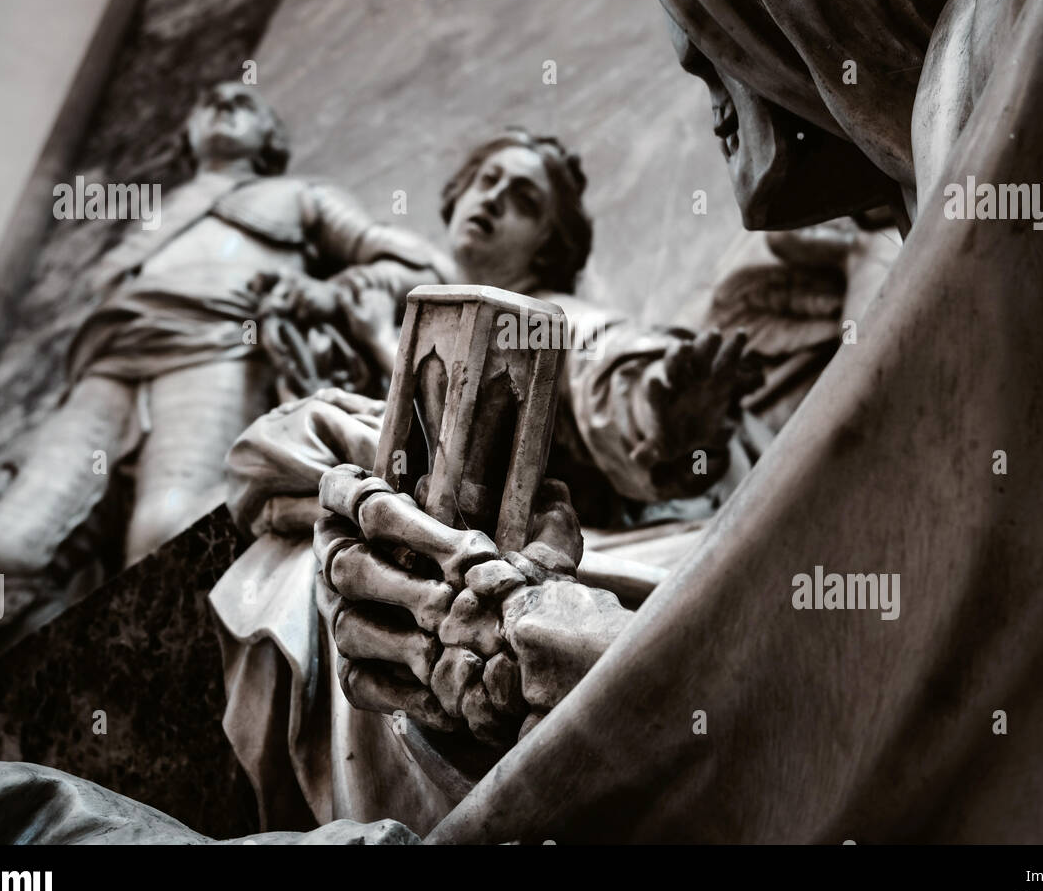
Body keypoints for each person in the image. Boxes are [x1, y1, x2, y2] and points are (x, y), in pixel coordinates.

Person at [323, 0, 1043, 844]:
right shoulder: (983, 78)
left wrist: (598, 658)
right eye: (479, 184)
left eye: (709, 19)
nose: (699, 70)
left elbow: (1036, 589)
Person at [210, 127, 766, 831]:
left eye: (524, 197)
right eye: (487, 180)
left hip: (508, 551)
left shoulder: (550, 320)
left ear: (547, 244)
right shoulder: (380, 292)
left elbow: (612, 369)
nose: (495, 197)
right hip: (380, 528)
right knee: (294, 466)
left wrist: (662, 409)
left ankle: (447, 659)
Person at [0, 82, 447, 645]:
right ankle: (53, 717)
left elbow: (417, 263)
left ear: (270, 138)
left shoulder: (299, 195)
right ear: (187, 138)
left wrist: (332, 294)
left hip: (221, 348)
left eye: (245, 102)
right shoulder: (150, 221)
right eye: (209, 99)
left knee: (169, 541)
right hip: (111, 365)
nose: (224, 103)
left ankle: (145, 705)